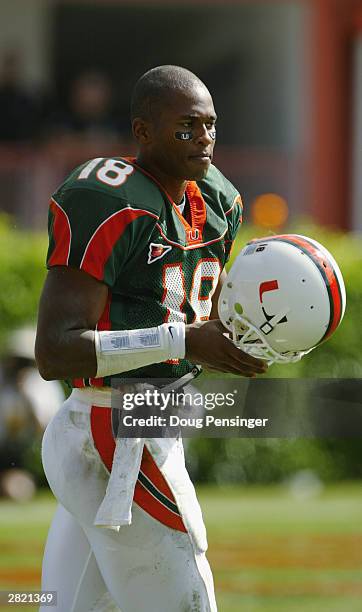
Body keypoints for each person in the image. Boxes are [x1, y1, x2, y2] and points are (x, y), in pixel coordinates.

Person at [35, 65, 267, 612]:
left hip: (142, 429)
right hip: (110, 432)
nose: (204, 138)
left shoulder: (218, 199)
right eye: (186, 126)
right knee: (188, 603)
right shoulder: (106, 197)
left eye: (210, 125)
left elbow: (194, 316)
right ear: (143, 132)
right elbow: (54, 351)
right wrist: (183, 342)